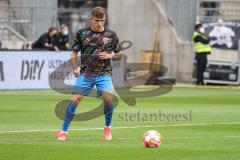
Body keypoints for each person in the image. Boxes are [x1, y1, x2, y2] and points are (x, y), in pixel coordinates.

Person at [55, 7, 123, 141]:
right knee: (74, 100)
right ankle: (64, 131)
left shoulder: (111, 35)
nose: (99, 23)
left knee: (109, 98)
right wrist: (74, 68)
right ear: (91, 19)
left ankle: (107, 127)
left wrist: (110, 55)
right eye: (97, 20)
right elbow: (74, 52)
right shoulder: (82, 33)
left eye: (102, 20)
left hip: (104, 74)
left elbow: (120, 54)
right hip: (85, 74)